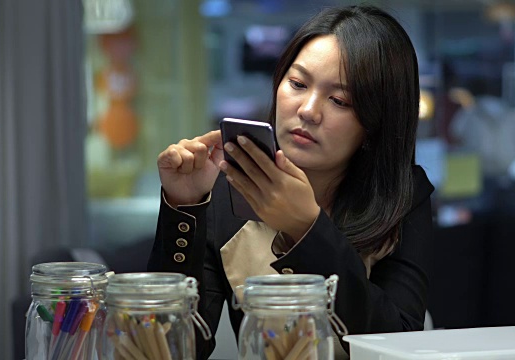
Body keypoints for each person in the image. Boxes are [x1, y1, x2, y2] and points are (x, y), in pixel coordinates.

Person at [148, 4, 434, 359]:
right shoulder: (225, 189)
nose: (308, 110)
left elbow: (400, 342)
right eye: (297, 83)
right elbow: (176, 348)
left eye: (340, 100)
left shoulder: (403, 195)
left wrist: (307, 229)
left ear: (375, 123)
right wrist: (184, 208)